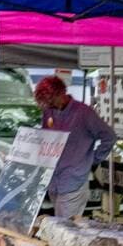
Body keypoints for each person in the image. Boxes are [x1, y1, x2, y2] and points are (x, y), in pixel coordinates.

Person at [33, 75, 116, 219]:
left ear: (61, 93)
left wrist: (92, 159)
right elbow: (46, 138)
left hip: (73, 181)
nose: (48, 106)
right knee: (56, 227)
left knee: (65, 230)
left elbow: (109, 137)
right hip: (53, 180)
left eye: (51, 101)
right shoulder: (48, 112)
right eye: (46, 103)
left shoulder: (84, 113)